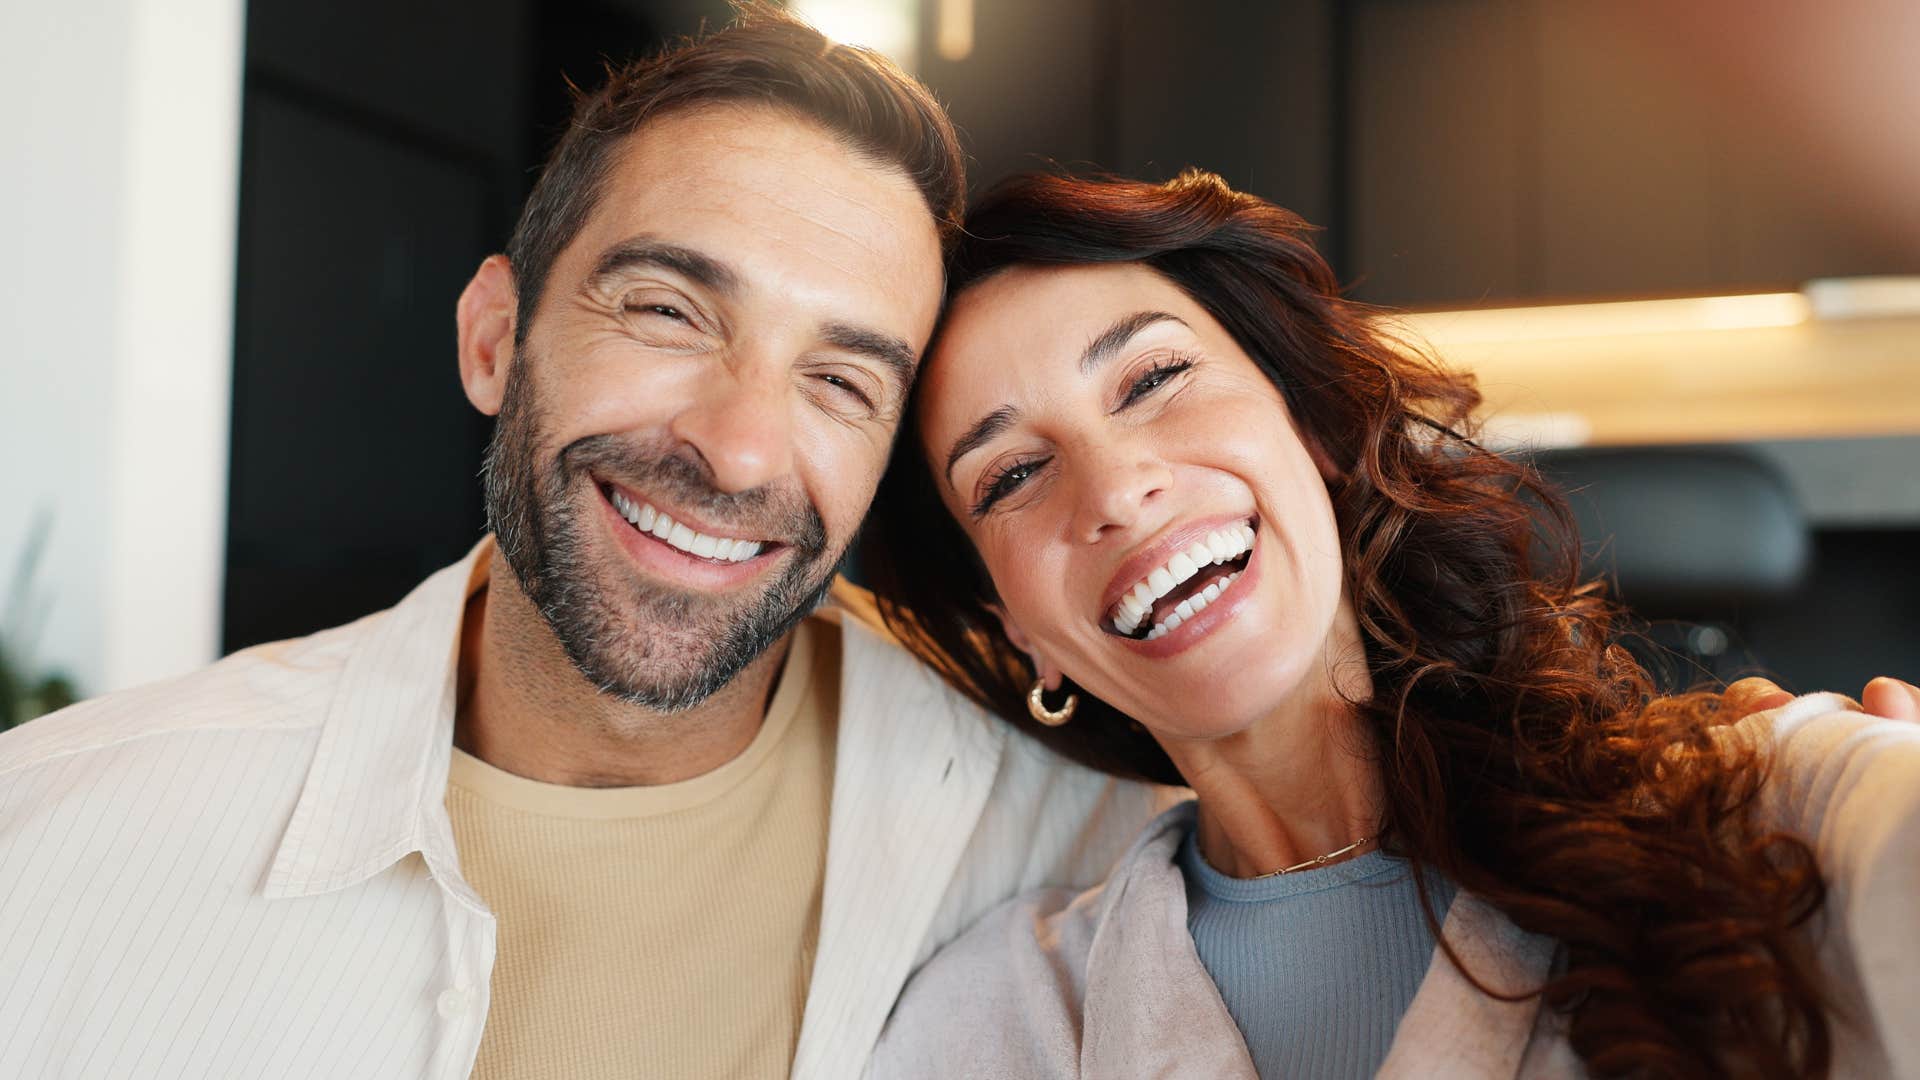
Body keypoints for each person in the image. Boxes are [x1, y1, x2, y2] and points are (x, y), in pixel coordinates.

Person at [0, 14, 1169, 1079]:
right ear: (495, 338)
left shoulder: (1085, 853)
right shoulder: (53, 845)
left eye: (842, 380)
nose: (743, 452)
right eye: (669, 310)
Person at [860, 169, 1920, 1079]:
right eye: (1013, 475)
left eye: (1154, 379)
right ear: (1017, 632)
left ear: (1313, 427)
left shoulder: (1761, 809)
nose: (1115, 488)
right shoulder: (995, 1019)